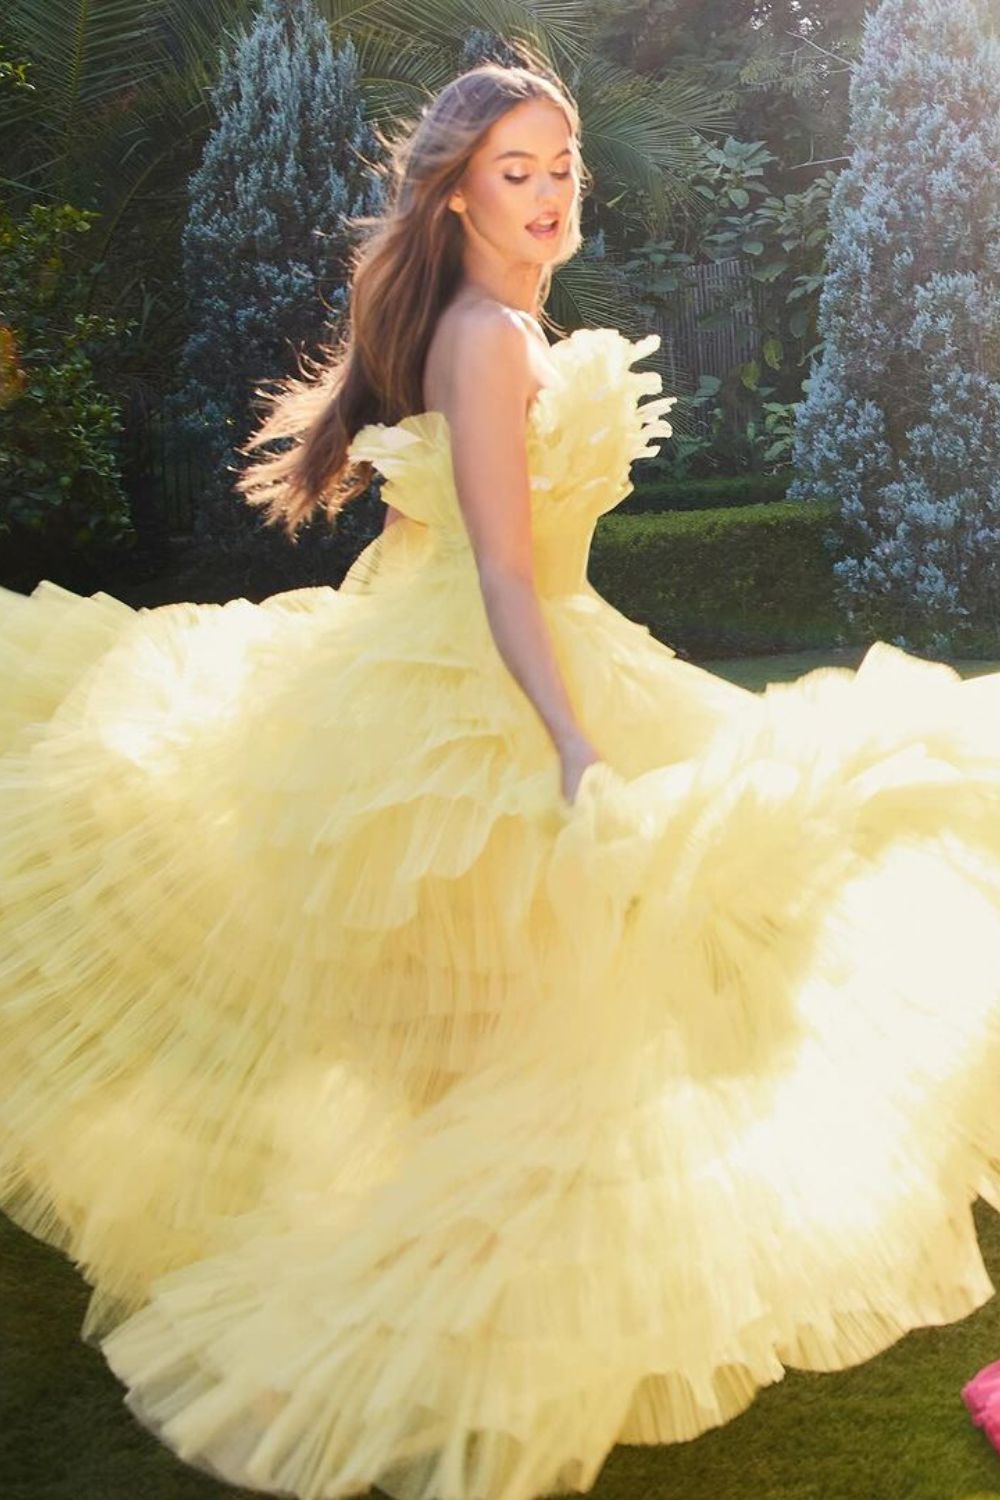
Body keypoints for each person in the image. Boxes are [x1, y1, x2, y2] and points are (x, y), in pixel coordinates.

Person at [4, 52, 1000, 1500]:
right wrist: (569, 734)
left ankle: (457, 1252)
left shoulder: (509, 323)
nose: (546, 198)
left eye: (560, 170)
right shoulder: (482, 337)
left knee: (592, 975)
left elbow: (465, 545)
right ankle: (428, 1285)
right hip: (492, 681)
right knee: (561, 988)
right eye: (515, 173)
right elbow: (497, 571)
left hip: (525, 652)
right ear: (458, 193)